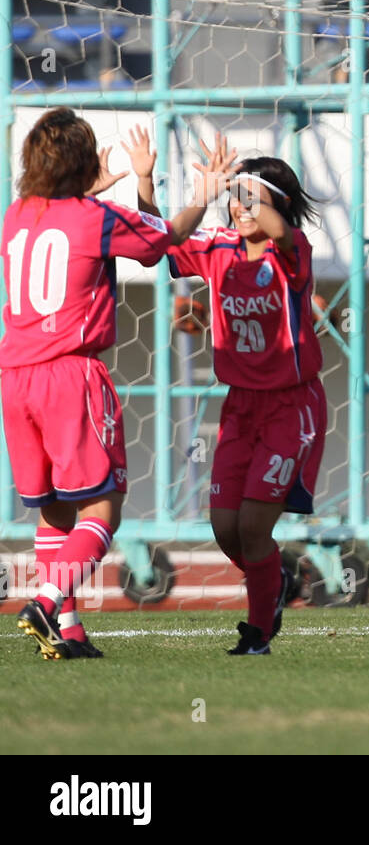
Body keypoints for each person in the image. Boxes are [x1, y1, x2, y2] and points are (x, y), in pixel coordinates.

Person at [3, 108, 228, 659]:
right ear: (81, 163)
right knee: (103, 511)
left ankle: (68, 631)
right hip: (70, 374)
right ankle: (46, 602)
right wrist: (204, 192)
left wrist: (90, 192)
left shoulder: (16, 215)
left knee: (55, 509)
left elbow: (65, 229)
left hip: (15, 378)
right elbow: (164, 240)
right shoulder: (91, 217)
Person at [149, 131, 326, 655]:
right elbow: (160, 240)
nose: (241, 205)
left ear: (280, 207)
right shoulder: (218, 249)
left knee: (252, 524)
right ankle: (273, 582)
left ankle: (258, 631)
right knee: (226, 528)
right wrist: (147, 183)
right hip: (240, 405)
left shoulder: (292, 253)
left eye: (254, 197)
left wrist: (242, 183)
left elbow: (283, 230)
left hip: (291, 406)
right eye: (237, 197)